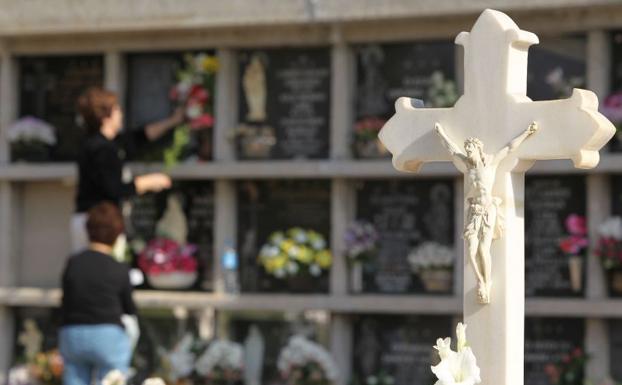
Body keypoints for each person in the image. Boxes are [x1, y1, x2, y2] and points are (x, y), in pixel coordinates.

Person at [434, 121, 539, 304]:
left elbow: (508, 148)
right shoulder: (468, 167)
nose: (468, 153)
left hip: (488, 211)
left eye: (471, 149)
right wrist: (441, 132)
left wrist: (526, 133)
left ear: (478, 149)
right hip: (474, 212)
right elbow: (451, 149)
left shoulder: (490, 165)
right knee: (471, 250)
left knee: (483, 249)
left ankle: (486, 282)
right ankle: (480, 281)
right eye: (466, 150)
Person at [71, 87, 181, 252]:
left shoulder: (109, 143)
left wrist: (173, 121)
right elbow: (113, 188)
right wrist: (147, 182)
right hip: (98, 225)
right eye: (116, 109)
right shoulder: (100, 149)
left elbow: (141, 137)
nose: (120, 113)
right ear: (105, 116)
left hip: (98, 222)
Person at [60, 202, 137, 385]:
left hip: (72, 333)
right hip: (108, 335)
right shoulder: (118, 268)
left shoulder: (73, 263)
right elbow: (129, 309)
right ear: (117, 234)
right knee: (113, 379)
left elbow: (66, 299)